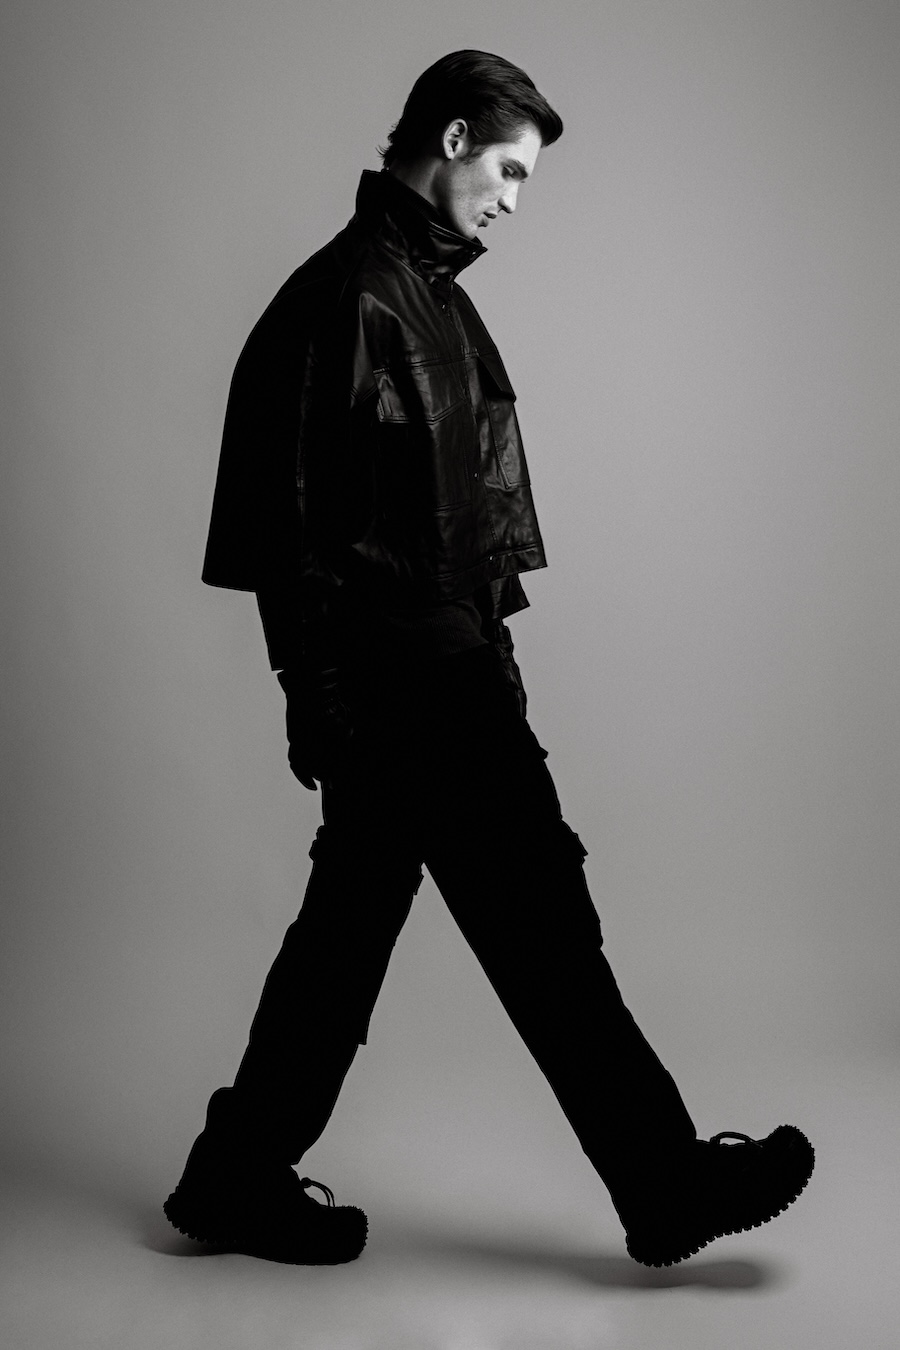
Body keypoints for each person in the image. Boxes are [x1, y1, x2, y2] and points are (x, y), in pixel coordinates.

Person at [164, 50, 814, 1267]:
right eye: (509, 170)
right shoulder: (345, 298)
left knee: (356, 928)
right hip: (402, 678)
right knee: (539, 922)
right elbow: (289, 522)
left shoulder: (436, 302)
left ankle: (234, 1173)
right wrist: (319, 694)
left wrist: (493, 661)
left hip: (443, 669)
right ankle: (664, 1183)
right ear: (453, 138)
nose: (515, 201)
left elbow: (468, 517)